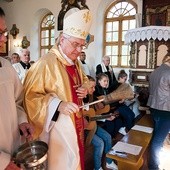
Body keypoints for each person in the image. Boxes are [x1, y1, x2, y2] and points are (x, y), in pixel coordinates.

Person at [23, 8, 92, 170]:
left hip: (77, 124)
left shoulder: (75, 62)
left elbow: (86, 79)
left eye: (82, 46)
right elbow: (29, 98)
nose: (79, 50)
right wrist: (58, 105)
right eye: (75, 44)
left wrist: (86, 86)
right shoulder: (44, 64)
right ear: (62, 39)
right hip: (57, 132)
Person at [0, 7, 33, 170]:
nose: (4, 39)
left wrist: (22, 120)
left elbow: (17, 100)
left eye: (4, 33)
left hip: (14, 150)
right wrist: (2, 162)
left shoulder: (6, 66)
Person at [84, 75, 118, 170]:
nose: (94, 89)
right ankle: (97, 167)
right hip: (83, 130)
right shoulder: (78, 98)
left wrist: (106, 118)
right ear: (84, 86)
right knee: (99, 143)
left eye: (94, 87)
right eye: (92, 87)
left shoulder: (92, 97)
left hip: (92, 125)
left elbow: (92, 117)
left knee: (108, 137)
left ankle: (109, 162)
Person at [147, 53, 170, 170]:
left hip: (154, 107)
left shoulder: (155, 71)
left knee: (157, 136)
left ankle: (154, 163)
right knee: (158, 139)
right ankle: (153, 166)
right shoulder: (169, 72)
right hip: (165, 109)